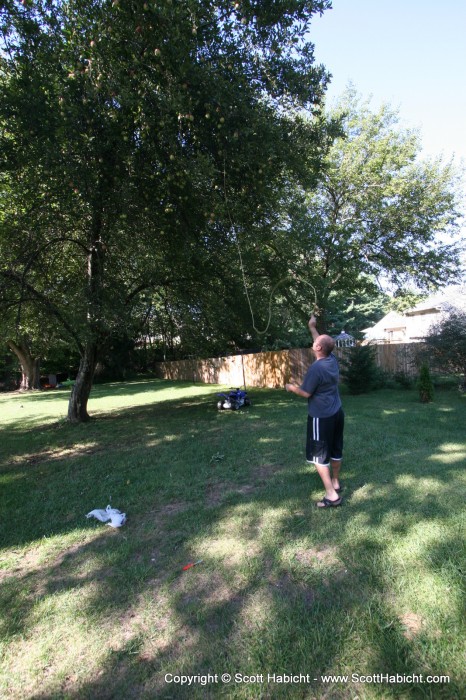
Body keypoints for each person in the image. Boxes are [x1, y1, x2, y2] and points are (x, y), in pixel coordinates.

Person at [285, 314, 344, 508]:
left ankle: (331, 495)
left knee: (319, 456)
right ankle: (336, 481)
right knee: (336, 449)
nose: (315, 341)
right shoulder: (332, 359)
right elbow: (321, 341)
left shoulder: (317, 368)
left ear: (318, 348)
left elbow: (306, 393)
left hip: (321, 417)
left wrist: (291, 388)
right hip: (337, 413)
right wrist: (312, 327)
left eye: (316, 341)